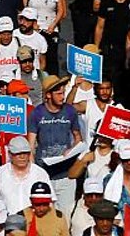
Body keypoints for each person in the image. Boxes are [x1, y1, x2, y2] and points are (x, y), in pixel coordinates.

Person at [28, 75, 82, 215]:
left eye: (63, 93)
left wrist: (72, 150)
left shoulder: (70, 111)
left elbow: (78, 137)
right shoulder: (37, 113)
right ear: (48, 95)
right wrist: (34, 172)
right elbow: (31, 144)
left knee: (66, 215)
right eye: (58, 94)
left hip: (66, 174)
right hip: (44, 174)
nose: (62, 97)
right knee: (45, 215)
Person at [0, 136, 52, 217]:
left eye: (25, 153)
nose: (22, 157)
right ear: (10, 154)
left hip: (34, 221)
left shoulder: (40, 173)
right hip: (7, 221)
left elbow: (50, 202)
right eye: (18, 153)